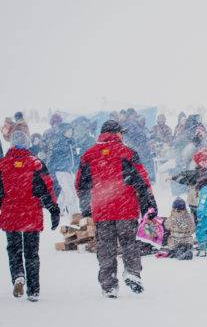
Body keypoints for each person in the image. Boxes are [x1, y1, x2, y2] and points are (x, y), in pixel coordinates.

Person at [75, 120, 157, 298]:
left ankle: (109, 284)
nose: (123, 136)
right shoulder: (127, 153)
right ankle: (132, 272)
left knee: (105, 248)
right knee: (129, 243)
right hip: (125, 209)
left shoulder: (88, 155)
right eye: (122, 132)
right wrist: (149, 206)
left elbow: (80, 184)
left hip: (102, 210)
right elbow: (142, 182)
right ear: (116, 133)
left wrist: (86, 207)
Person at [0, 130, 60, 302]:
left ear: (10, 144)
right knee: (32, 253)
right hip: (31, 214)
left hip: (10, 214)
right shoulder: (36, 164)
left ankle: (18, 275)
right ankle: (33, 290)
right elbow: (47, 188)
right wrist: (53, 209)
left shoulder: (3, 165)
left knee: (14, 249)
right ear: (27, 144)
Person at [49, 123, 81, 216]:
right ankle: (74, 214)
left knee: (65, 192)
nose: (71, 132)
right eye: (69, 130)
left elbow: (74, 156)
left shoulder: (71, 141)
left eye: (71, 130)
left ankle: (58, 211)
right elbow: (55, 158)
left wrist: (76, 158)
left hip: (69, 170)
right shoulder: (60, 142)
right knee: (70, 193)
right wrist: (63, 165)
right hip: (61, 171)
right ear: (64, 131)